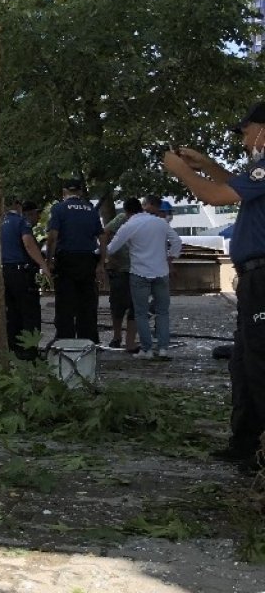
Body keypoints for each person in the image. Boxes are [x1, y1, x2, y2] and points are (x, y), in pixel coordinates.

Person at [162, 101, 265, 475]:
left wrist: (180, 173)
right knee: (243, 362)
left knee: (259, 362)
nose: (243, 141)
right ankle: (246, 444)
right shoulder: (257, 172)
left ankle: (259, 450)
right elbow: (231, 186)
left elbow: (216, 197)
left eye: (246, 131)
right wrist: (205, 166)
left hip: (263, 279)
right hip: (254, 278)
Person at [107, 197, 181, 360]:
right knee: (162, 312)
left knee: (140, 313)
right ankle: (163, 349)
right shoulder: (160, 222)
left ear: (126, 212)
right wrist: (170, 258)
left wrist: (96, 254)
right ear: (141, 208)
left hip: (139, 273)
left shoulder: (129, 225)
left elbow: (111, 248)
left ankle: (146, 350)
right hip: (161, 272)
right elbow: (176, 241)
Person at [46, 179, 106, 343]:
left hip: (66, 260)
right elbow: (102, 237)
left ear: (64, 192)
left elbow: (53, 236)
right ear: (80, 192)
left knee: (65, 304)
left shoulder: (59, 208)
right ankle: (89, 342)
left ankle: (65, 341)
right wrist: (100, 263)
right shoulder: (91, 209)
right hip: (87, 261)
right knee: (87, 304)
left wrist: (49, 259)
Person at [0, 198, 53, 359]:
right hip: (21, 272)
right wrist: (44, 266)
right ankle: (30, 352)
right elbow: (29, 244)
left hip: (5, 272)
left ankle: (13, 350)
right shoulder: (21, 222)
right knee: (29, 313)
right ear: (17, 206)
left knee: (12, 313)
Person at [103, 198, 141, 352]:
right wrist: (108, 257)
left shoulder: (137, 221)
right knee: (119, 305)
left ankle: (128, 340)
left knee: (134, 306)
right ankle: (118, 337)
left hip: (135, 269)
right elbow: (105, 233)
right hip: (121, 269)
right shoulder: (121, 220)